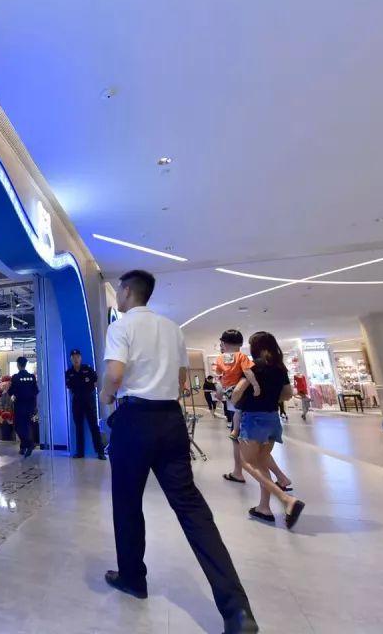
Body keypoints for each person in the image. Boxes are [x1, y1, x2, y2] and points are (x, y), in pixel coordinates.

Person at [99, 270, 257, 634]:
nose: (118, 296)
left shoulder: (121, 327)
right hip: (171, 420)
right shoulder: (172, 329)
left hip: (135, 420)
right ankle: (237, 610)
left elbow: (116, 374)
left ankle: (133, 578)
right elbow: (183, 380)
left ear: (127, 292)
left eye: (119, 291)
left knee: (127, 502)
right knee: (191, 508)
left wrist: (106, 395)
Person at [231, 332, 306, 528]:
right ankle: (264, 508)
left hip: (253, 418)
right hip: (272, 417)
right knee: (261, 461)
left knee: (246, 462)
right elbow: (288, 394)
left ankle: (286, 499)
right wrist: (270, 399)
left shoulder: (252, 366)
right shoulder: (279, 368)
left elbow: (238, 391)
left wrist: (235, 401)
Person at [215, 331, 259, 484]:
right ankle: (235, 430)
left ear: (223, 343)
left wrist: (219, 392)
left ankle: (238, 471)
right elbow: (247, 372)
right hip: (239, 391)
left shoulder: (220, 358)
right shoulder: (242, 357)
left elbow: (219, 378)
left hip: (227, 390)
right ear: (240, 343)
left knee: (235, 413)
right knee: (238, 411)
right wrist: (255, 385)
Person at [66, 348, 107, 460]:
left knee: (93, 426)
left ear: (81, 358)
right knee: (79, 427)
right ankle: (80, 452)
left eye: (77, 357)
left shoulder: (88, 369)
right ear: (71, 359)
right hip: (77, 401)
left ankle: (100, 452)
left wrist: (87, 391)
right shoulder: (69, 372)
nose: (76, 359)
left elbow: (95, 382)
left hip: (89, 399)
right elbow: (69, 386)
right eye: (73, 357)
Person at [9, 356, 40, 457]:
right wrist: (35, 406)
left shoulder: (15, 377)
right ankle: (23, 447)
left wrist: (11, 396)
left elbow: (11, 391)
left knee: (18, 426)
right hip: (30, 405)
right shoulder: (32, 377)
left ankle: (29, 444)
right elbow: (35, 392)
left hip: (20, 405)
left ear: (18, 365)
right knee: (27, 426)